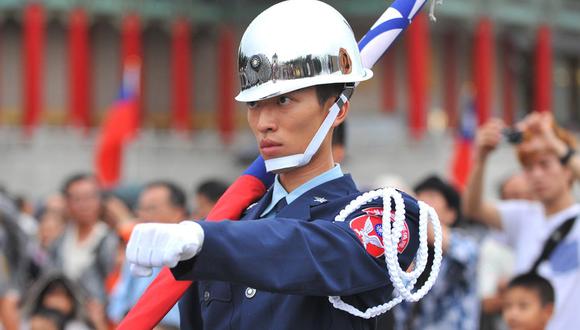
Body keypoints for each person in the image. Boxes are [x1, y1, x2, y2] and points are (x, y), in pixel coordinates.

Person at [125, 1, 432, 329]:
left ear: (336, 110)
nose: (264, 122)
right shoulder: (228, 225)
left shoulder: (386, 215)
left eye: (284, 101)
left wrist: (207, 240)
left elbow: (312, 252)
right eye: (255, 104)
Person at [463, 111, 580, 329]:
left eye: (545, 164)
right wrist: (481, 157)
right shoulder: (524, 215)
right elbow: (473, 208)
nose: (535, 175)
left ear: (567, 170)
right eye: (528, 168)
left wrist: (554, 143)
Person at [394, 175, 479, 330]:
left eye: (431, 197)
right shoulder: (407, 250)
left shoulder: (466, 244)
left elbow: (459, 251)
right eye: (418, 196)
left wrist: (409, 205)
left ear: (451, 214)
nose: (421, 202)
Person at [108, 181, 188, 329]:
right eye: (140, 208)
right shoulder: (137, 247)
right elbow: (118, 300)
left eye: (151, 208)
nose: (142, 215)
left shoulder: (190, 249)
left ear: (177, 212)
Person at [48, 173, 118, 329]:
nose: (84, 204)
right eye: (76, 199)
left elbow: (116, 286)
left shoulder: (110, 240)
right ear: (66, 202)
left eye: (89, 197)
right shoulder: (59, 239)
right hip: (60, 316)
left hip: (96, 319)